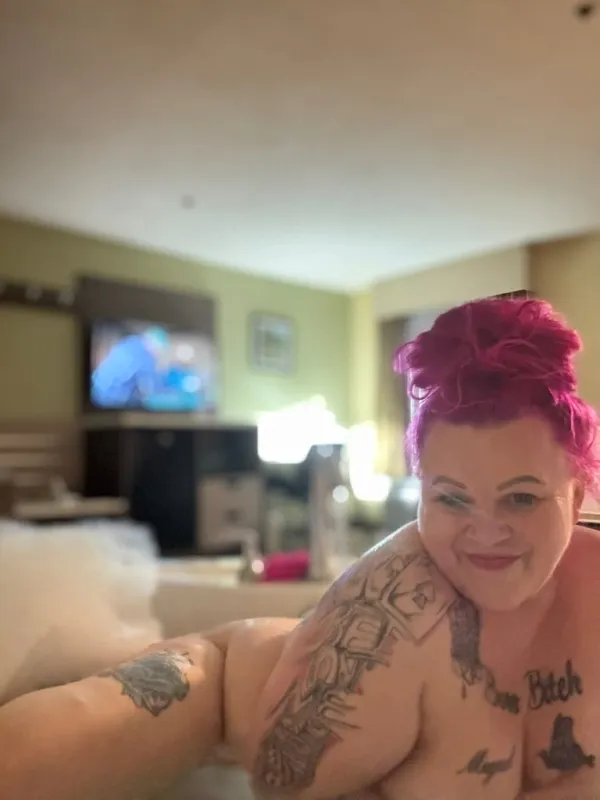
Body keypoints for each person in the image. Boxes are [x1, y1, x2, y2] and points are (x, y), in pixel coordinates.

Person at [2, 297, 600, 800]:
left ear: (576, 498)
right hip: (223, 683)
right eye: (452, 498)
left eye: (521, 499)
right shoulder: (397, 618)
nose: (486, 531)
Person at [91, 326, 169, 408]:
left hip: (96, 388)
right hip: (112, 398)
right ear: (153, 344)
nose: (156, 354)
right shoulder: (144, 355)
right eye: (157, 350)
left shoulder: (130, 341)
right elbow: (151, 387)